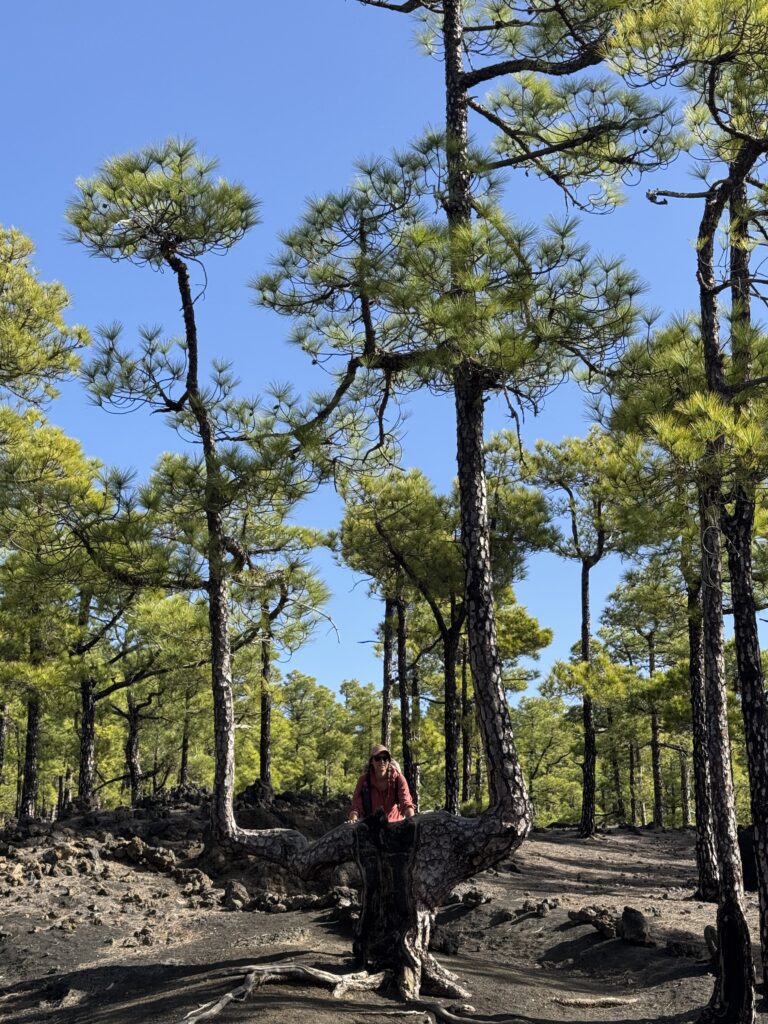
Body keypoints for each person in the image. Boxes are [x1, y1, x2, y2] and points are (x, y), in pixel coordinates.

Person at [347, 743, 415, 823]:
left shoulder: (398, 778)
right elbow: (356, 806)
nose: (382, 761)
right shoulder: (363, 781)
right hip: (372, 827)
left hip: (396, 824)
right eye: (377, 758)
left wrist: (412, 820)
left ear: (389, 760)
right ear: (371, 761)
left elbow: (406, 802)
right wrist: (353, 819)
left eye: (385, 758)